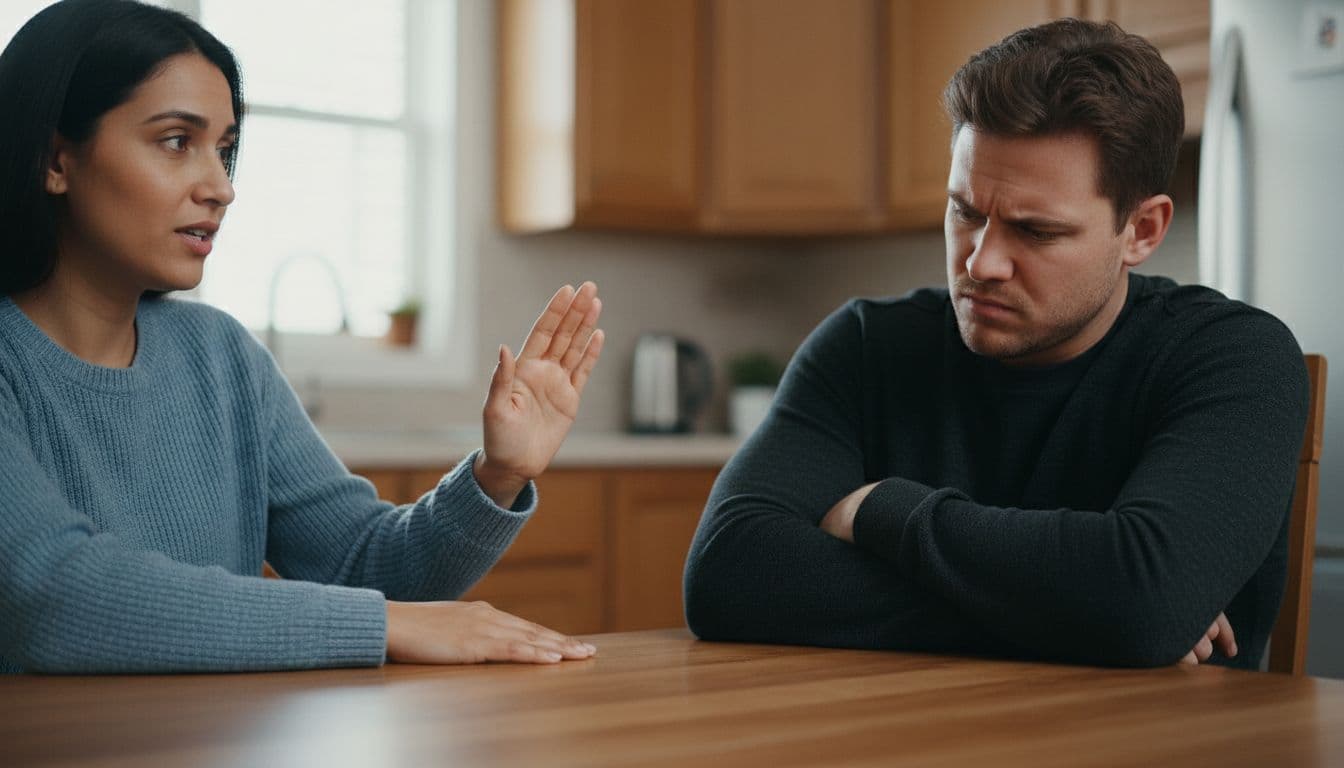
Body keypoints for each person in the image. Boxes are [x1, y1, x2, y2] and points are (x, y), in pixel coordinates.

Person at [683, 18, 1310, 670]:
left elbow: (1143, 600)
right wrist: (1082, 618)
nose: (982, 263)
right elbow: (730, 571)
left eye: (1035, 231)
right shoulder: (868, 346)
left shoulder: (1234, 359)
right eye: (966, 212)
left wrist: (884, 511)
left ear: (1141, 230)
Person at [0, 0, 605, 673]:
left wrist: (497, 475)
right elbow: (50, 598)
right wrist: (380, 623)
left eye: (225, 151)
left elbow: (365, 566)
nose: (220, 187)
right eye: (177, 141)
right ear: (56, 159)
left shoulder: (222, 358)